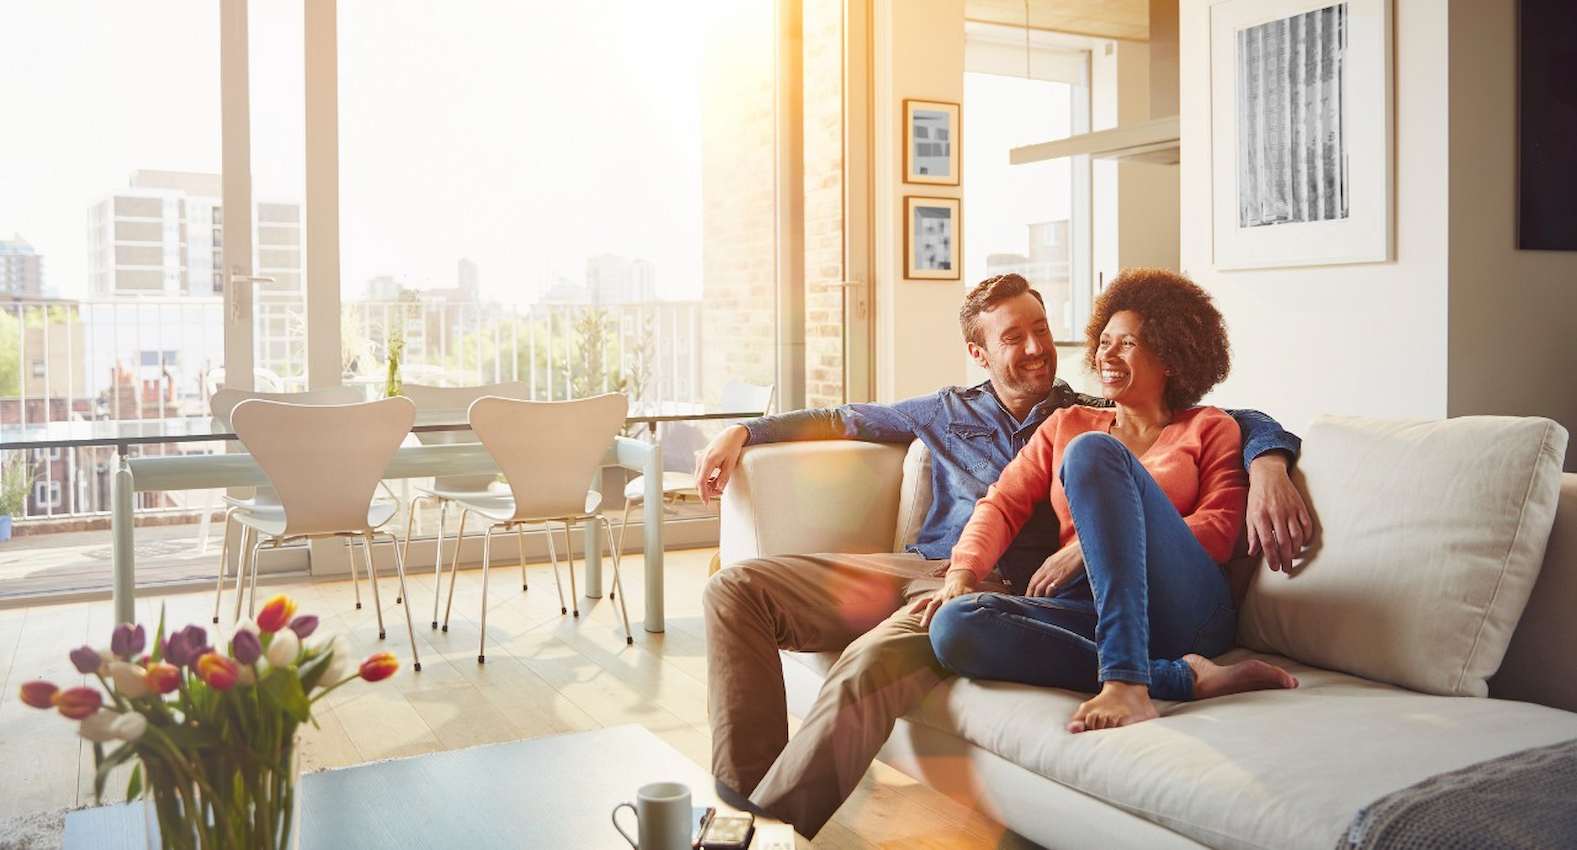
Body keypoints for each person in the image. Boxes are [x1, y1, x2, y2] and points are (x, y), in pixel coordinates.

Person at [696, 272, 1312, 837]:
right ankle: (737, 811)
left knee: (877, 656)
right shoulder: (982, 413)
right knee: (734, 589)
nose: (1037, 348)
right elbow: (854, 421)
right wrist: (746, 430)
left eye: (1042, 330)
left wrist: (1271, 460)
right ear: (980, 353)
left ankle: (763, 834)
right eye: (1014, 337)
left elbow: (1233, 420)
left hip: (1018, 585)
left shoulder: (1100, 412)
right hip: (933, 567)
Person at [928, 268, 1299, 736]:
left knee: (1093, 453)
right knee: (956, 626)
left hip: (1183, 610)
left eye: (1126, 343)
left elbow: (1220, 531)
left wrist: (1092, 547)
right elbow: (1001, 504)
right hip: (1093, 609)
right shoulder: (1067, 423)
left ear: (1169, 356)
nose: (1106, 353)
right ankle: (1179, 678)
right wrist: (962, 574)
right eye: (1103, 341)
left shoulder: (1209, 428)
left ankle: (1126, 682)